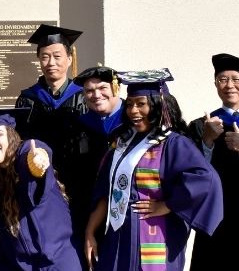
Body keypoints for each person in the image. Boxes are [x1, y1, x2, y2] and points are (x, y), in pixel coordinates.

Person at [84, 68, 224, 271]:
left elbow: (205, 179)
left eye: (141, 104)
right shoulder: (122, 142)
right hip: (118, 236)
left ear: (159, 105)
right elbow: (107, 191)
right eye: (130, 104)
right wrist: (90, 231)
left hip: (155, 233)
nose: (133, 111)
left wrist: (167, 205)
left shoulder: (174, 143)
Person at [0, 109, 79, 271]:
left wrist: (36, 163)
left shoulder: (26, 150)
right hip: (14, 263)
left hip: (58, 261)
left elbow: (35, 152)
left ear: (11, 136)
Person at [185, 53, 239, 269]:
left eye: (236, 79)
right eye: (223, 79)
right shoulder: (201, 125)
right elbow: (190, 172)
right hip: (216, 213)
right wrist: (207, 142)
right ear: (216, 85)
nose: (229, 85)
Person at [13, 25, 87, 225]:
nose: (50, 62)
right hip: (38, 177)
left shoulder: (84, 96)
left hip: (78, 181)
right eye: (45, 57)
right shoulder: (27, 99)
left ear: (69, 59)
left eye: (57, 56)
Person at [65, 65, 124, 268]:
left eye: (102, 88)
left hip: (126, 213)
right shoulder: (79, 125)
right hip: (88, 210)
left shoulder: (132, 120)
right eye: (89, 91)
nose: (96, 95)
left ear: (115, 88)